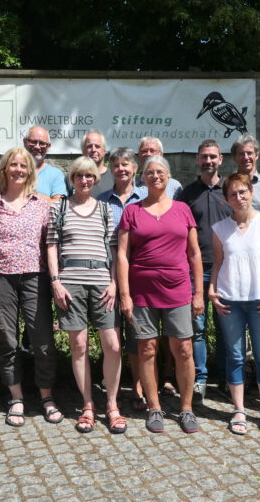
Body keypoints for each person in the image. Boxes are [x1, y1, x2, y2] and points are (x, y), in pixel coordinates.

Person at [117, 155, 204, 433]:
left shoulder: (182, 209)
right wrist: (125, 295)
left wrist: (199, 293)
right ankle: (154, 407)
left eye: (161, 172)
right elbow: (122, 255)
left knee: (184, 348)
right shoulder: (132, 211)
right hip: (142, 292)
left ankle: (187, 408)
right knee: (147, 348)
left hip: (178, 289)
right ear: (142, 177)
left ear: (168, 177)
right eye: (150, 172)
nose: (155, 176)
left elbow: (194, 253)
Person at [0, 147, 63, 428]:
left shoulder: (42, 203)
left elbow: (52, 244)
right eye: (12, 165)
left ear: (30, 171)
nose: (18, 170)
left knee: (42, 342)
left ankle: (46, 396)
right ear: (4, 170)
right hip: (0, 276)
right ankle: (15, 398)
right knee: (7, 340)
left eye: (23, 166)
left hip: (35, 277)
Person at [47, 157, 124, 434]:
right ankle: (88, 404)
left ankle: (112, 405)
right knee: (78, 346)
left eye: (89, 176)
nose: (84, 180)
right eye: (79, 176)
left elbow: (114, 252)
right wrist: (56, 281)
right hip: (71, 284)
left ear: (95, 178)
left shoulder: (106, 209)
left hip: (103, 284)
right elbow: (52, 245)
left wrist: (114, 283)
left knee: (113, 345)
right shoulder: (60, 206)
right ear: (73, 178)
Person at [208, 173, 260, 435]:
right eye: (232, 194)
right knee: (235, 355)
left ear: (251, 192)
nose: (238, 198)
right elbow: (218, 263)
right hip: (230, 300)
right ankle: (238, 409)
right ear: (226, 199)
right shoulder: (220, 229)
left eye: (243, 192)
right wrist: (212, 290)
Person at [177, 139, 231, 405]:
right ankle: (200, 378)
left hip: (226, 270)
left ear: (221, 159)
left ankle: (225, 379)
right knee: (196, 327)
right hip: (194, 270)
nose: (208, 161)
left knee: (226, 327)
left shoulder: (231, 190)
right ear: (197, 160)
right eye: (204, 157)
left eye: (213, 157)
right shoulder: (186, 194)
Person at [97, 148, 148, 412]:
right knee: (113, 334)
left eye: (126, 164)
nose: (121, 169)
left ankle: (139, 387)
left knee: (138, 334)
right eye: (116, 165)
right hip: (107, 274)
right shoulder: (102, 201)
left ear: (135, 168)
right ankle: (113, 389)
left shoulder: (146, 199)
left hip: (139, 272)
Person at [135, 136, 181, 395]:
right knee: (144, 343)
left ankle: (168, 378)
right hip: (142, 281)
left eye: (153, 152)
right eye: (144, 152)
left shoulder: (177, 191)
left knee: (176, 341)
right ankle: (143, 388)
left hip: (173, 281)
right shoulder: (135, 198)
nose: (154, 175)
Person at [24, 126, 66, 202]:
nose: (37, 147)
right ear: (25, 142)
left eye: (42, 143)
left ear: (48, 146)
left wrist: (33, 196)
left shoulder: (56, 174)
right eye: (33, 142)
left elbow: (59, 204)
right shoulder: (15, 171)